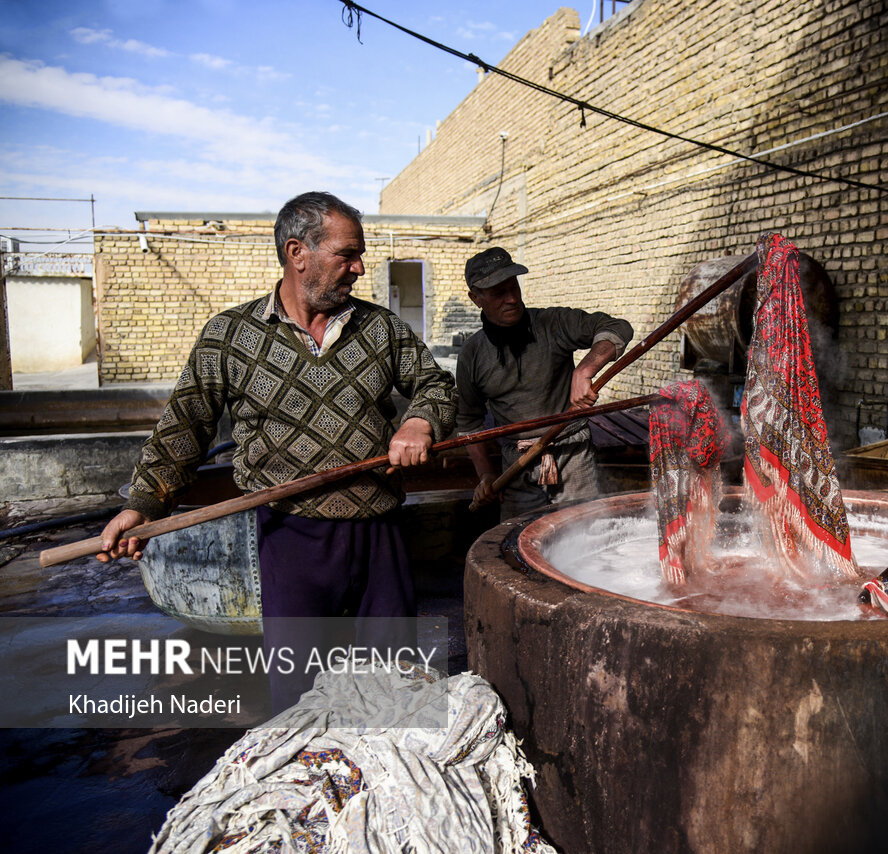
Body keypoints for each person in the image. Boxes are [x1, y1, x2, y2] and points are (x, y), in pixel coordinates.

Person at [97, 191, 457, 710]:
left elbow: (435, 385)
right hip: (290, 537)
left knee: (394, 688)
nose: (359, 268)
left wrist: (419, 422)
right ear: (297, 253)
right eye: (347, 255)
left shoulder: (381, 329)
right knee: (300, 694)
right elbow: (183, 428)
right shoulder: (229, 337)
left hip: (379, 533)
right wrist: (143, 506)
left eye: (359, 255)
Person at [457, 246, 633, 520]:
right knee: (518, 536)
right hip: (516, 466)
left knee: (584, 532)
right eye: (499, 293)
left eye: (514, 287)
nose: (512, 299)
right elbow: (469, 423)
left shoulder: (552, 323)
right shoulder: (472, 354)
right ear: (476, 298)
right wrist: (486, 475)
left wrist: (585, 368)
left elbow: (618, 327)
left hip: (573, 455)